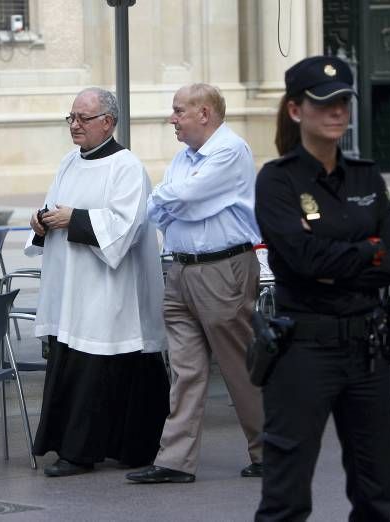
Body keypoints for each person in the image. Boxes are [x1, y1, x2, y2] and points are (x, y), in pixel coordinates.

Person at [253, 56, 390, 521]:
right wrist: (369, 250)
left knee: (379, 491)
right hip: (304, 349)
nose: (337, 112)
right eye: (324, 103)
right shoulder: (277, 180)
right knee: (285, 496)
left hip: (368, 347)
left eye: (344, 101)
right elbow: (302, 261)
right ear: (296, 110)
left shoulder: (366, 176)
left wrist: (339, 256)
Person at [24, 87, 170, 477]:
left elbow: (127, 228)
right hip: (71, 287)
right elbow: (54, 207)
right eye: (70, 117)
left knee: (98, 370)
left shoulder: (127, 167)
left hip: (108, 289)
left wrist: (74, 218)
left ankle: (84, 452)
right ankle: (68, 445)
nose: (74, 125)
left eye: (82, 119)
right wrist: (41, 221)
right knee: (71, 363)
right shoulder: (69, 162)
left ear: (108, 122)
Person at [126, 83, 263, 485]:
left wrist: (173, 198)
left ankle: (270, 450)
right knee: (185, 371)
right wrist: (174, 199)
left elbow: (185, 194)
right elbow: (161, 206)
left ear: (204, 113)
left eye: (178, 111)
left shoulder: (230, 150)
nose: (172, 119)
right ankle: (175, 461)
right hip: (182, 270)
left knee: (239, 366)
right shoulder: (186, 157)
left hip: (223, 270)